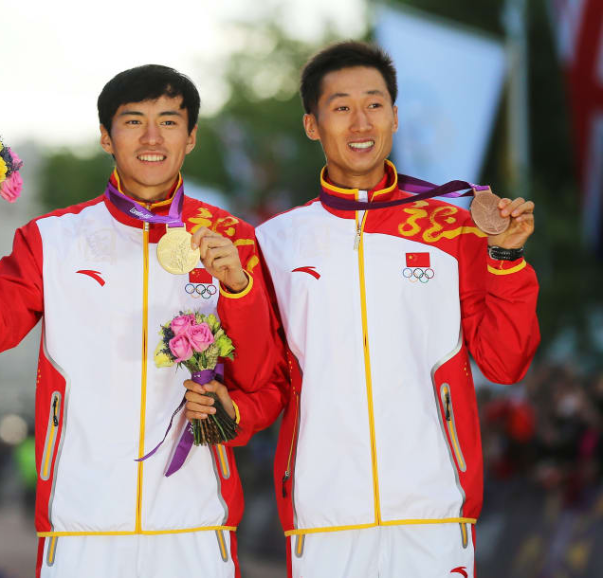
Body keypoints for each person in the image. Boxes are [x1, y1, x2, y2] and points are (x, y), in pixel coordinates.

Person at [184, 41, 541, 577]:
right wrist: (229, 414)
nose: (360, 122)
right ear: (312, 124)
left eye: (374, 104)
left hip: (435, 515)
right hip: (324, 519)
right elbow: (269, 379)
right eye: (340, 106)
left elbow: (505, 362)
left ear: (395, 117)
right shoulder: (276, 244)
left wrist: (507, 259)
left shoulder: (452, 230)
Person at [0, 64, 281, 577]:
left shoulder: (232, 239)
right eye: (132, 120)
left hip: (197, 523)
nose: (151, 137)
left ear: (191, 138)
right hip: (80, 524)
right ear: (105, 136)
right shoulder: (52, 239)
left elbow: (263, 382)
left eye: (168, 121)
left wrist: (237, 290)